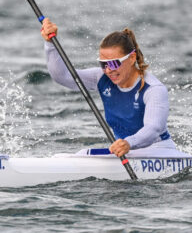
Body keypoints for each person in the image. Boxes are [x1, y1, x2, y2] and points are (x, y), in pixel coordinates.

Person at [40, 18, 179, 158]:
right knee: (81, 154)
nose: (108, 70)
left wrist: (128, 143)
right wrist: (50, 44)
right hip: (124, 151)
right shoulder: (101, 78)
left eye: (113, 64)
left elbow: (153, 128)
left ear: (131, 58)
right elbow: (62, 76)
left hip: (158, 150)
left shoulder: (153, 89)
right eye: (103, 64)